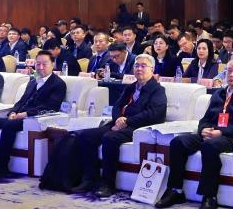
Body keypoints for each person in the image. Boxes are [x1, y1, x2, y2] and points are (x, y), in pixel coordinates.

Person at [156, 58, 233, 209]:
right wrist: (203, 130)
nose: (232, 75)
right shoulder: (219, 93)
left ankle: (209, 196)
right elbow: (205, 119)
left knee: (209, 146)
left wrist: (222, 132)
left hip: (232, 136)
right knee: (178, 142)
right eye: (229, 71)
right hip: (211, 133)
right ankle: (175, 190)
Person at [69, 54, 168, 195]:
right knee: (86, 135)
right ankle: (89, 179)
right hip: (120, 123)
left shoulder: (157, 90)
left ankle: (108, 184)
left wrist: (126, 121)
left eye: (143, 66)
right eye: (136, 66)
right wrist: (118, 119)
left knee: (110, 138)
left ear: (152, 69)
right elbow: (117, 106)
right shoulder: (131, 87)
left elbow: (154, 114)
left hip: (139, 127)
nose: (139, 69)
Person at [0, 50, 66, 179]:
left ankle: (0, 166)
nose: (40, 67)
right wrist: (13, 112)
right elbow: (21, 101)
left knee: (9, 126)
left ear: (52, 64)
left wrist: (24, 114)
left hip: (33, 119)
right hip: (18, 116)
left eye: (44, 64)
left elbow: (50, 107)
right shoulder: (33, 81)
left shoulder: (58, 84)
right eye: (38, 64)